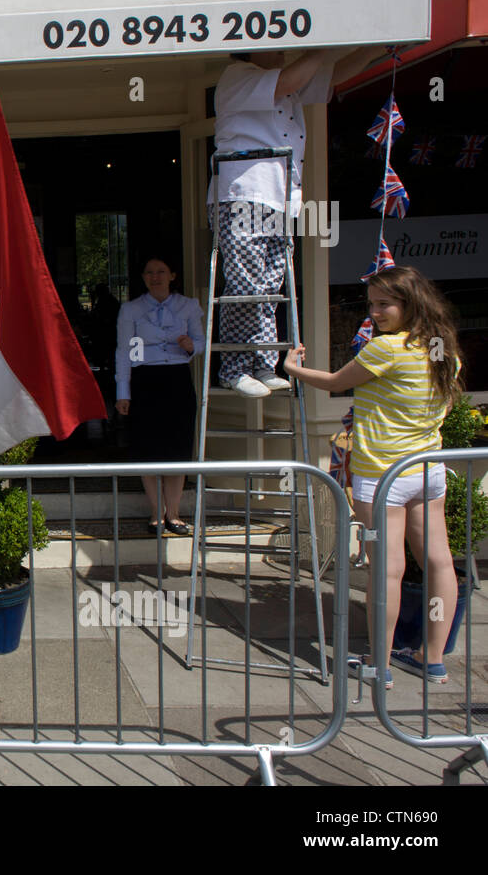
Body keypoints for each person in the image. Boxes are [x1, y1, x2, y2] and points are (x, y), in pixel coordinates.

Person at [285, 267, 460, 687]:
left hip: (382, 472)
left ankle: (378, 665)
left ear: (410, 303)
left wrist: (292, 367)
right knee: (439, 563)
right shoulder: (442, 348)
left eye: (384, 303)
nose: (376, 312)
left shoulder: (387, 349)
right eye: (372, 303)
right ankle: (432, 658)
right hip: (426, 469)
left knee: (387, 569)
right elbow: (445, 403)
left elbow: (332, 383)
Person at [209, 46, 380, 398]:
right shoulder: (238, 78)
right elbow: (289, 80)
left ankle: (261, 363)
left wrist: (373, 46)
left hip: (279, 197)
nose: (285, 53)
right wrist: (321, 43)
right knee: (246, 284)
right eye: (279, 47)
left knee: (270, 285)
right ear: (254, 49)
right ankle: (234, 369)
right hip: (244, 192)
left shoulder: (279, 80)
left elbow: (332, 75)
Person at [115, 257, 205, 534]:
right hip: (145, 380)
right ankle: (156, 513)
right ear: (143, 277)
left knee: (177, 449)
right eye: (150, 272)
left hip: (177, 379)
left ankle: (174, 514)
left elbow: (201, 342)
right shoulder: (131, 309)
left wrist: (192, 346)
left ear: (172, 275)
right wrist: (123, 392)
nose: (156, 277)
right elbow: (124, 352)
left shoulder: (188, 305)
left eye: (161, 272)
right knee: (149, 449)